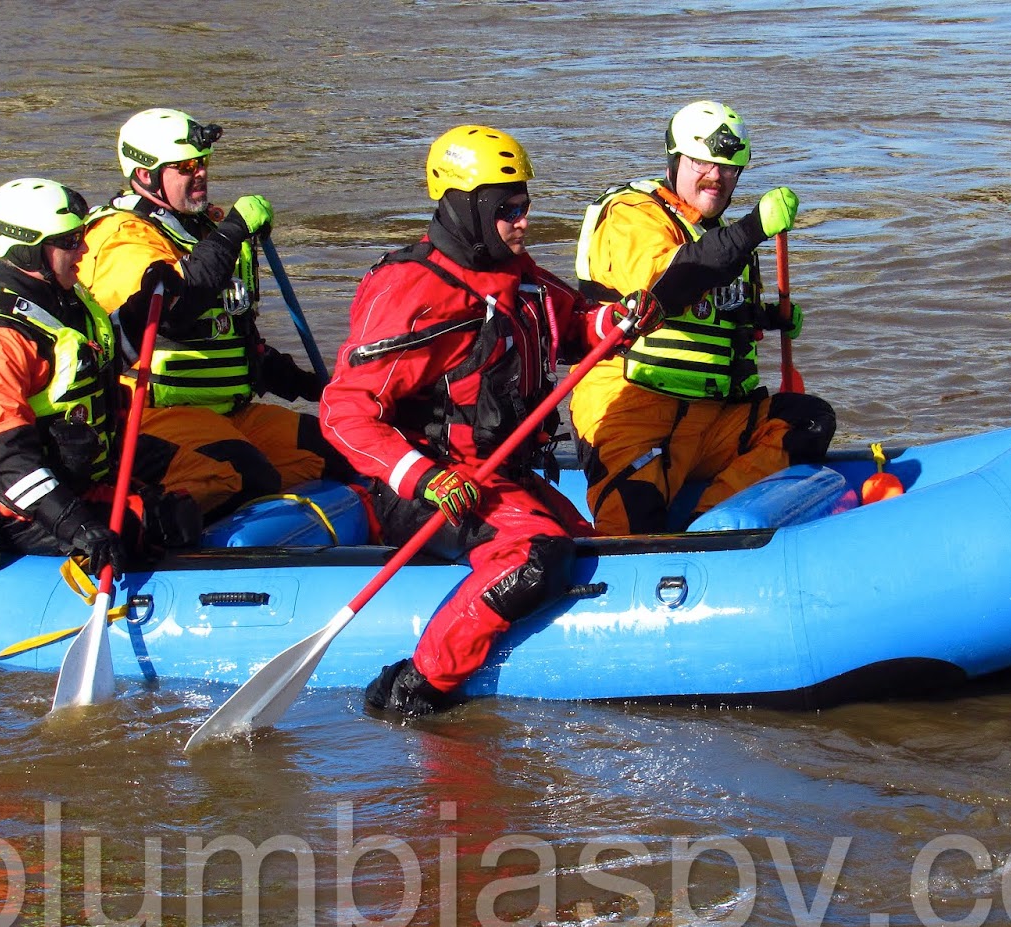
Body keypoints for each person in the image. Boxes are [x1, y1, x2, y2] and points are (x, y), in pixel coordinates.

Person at [320, 125, 662, 717]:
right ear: (466, 207)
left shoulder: (520, 277)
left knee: (593, 547)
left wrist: (620, 320)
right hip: (430, 489)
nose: (523, 221)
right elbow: (344, 412)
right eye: (508, 210)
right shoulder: (413, 289)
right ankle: (415, 687)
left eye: (525, 206)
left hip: (499, 477)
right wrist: (424, 477)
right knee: (538, 557)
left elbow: (574, 326)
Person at [569, 100, 837, 535]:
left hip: (711, 420)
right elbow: (670, 283)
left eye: (728, 168)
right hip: (632, 410)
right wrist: (753, 228)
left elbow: (717, 314)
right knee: (633, 528)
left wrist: (768, 317)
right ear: (675, 161)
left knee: (809, 419)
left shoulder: (721, 238)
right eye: (701, 163)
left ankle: (711, 527)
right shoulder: (631, 213)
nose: (715, 176)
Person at [78, 107, 352, 523]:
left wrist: (313, 386)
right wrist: (234, 231)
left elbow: (233, 337)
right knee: (246, 476)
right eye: (186, 167)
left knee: (345, 448)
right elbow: (173, 312)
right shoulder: (122, 238)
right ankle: (163, 521)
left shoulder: (203, 231)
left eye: (203, 162)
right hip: (155, 414)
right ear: (145, 174)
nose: (201, 173)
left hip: (227, 411)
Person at [0, 178, 198, 575]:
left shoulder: (61, 297)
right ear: (27, 249)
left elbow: (98, 359)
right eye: (69, 241)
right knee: (171, 522)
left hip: (82, 466)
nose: (83, 249)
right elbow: (6, 460)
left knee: (226, 470)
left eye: (81, 236)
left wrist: (149, 303)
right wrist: (78, 527)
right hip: (15, 501)